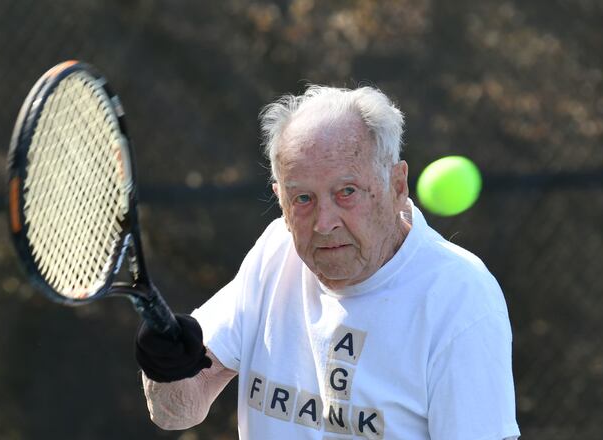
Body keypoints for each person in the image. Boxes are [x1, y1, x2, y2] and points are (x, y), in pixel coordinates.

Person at [135, 85, 521, 439]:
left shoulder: (461, 298)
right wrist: (165, 365)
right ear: (281, 203)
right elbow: (177, 412)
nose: (323, 222)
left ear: (397, 186)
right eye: (302, 198)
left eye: (347, 191)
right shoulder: (275, 252)